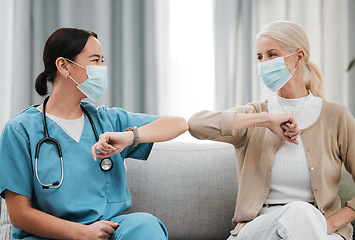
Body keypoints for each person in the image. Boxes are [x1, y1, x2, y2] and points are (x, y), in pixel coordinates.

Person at [0, 28, 188, 240]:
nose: (102, 68)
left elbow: (178, 124)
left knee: (144, 225)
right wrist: (83, 233)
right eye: (95, 60)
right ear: (63, 65)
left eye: (102, 60)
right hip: (50, 236)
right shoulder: (19, 130)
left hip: (108, 231)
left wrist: (129, 137)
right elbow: (20, 215)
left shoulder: (108, 120)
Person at [188, 21, 355, 240]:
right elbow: (196, 124)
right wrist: (264, 119)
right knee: (298, 211)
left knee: (302, 213)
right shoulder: (255, 114)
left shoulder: (336, 116)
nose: (264, 63)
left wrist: (333, 222)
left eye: (272, 55)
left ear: (299, 57)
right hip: (260, 230)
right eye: (259, 57)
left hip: (320, 230)